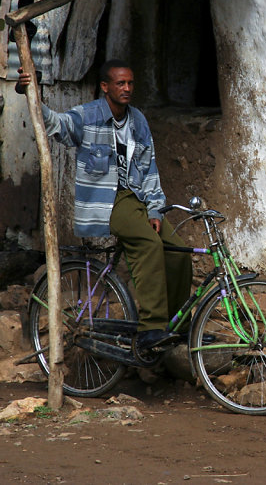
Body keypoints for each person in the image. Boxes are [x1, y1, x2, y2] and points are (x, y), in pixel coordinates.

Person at [17, 60, 190, 350]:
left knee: (178, 253)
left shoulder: (138, 121)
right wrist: (30, 94)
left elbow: (149, 169)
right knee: (149, 245)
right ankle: (151, 329)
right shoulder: (88, 116)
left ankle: (177, 327)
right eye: (120, 83)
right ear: (105, 87)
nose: (126, 89)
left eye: (130, 83)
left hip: (137, 197)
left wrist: (155, 208)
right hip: (108, 201)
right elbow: (56, 125)